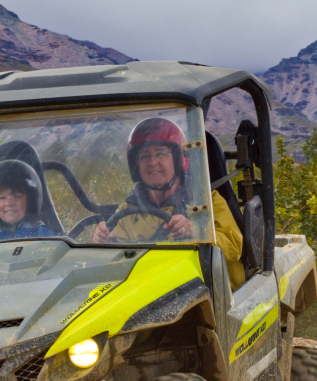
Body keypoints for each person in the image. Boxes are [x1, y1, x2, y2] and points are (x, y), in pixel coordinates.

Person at [93, 117, 245, 291]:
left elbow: (234, 247)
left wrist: (197, 232)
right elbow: (117, 264)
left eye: (160, 153)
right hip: (154, 294)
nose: (152, 162)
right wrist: (104, 243)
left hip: (211, 295)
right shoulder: (128, 210)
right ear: (135, 164)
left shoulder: (206, 200)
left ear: (178, 159)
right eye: (144, 156)